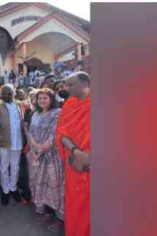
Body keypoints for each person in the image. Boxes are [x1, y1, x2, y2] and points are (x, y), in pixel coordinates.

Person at [56, 71, 91, 236]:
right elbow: (61, 134)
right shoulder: (70, 104)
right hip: (74, 165)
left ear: (85, 85)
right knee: (76, 204)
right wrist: (75, 151)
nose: (66, 88)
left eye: (71, 85)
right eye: (66, 84)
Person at [25, 88, 64, 233]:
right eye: (39, 98)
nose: (42, 100)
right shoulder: (35, 114)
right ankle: (47, 213)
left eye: (45, 98)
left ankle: (59, 220)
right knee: (39, 185)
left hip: (52, 157)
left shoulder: (57, 113)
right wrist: (35, 149)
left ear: (51, 99)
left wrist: (41, 150)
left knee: (54, 187)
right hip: (36, 155)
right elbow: (30, 133)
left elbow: (54, 134)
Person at [0, 84, 24, 206]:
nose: (6, 95)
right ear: (0, 94)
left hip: (18, 141)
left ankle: (13, 188)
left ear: (14, 93)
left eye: (9, 93)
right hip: (3, 141)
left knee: (15, 166)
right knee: (4, 166)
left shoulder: (19, 104)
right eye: (4, 93)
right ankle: (5, 190)